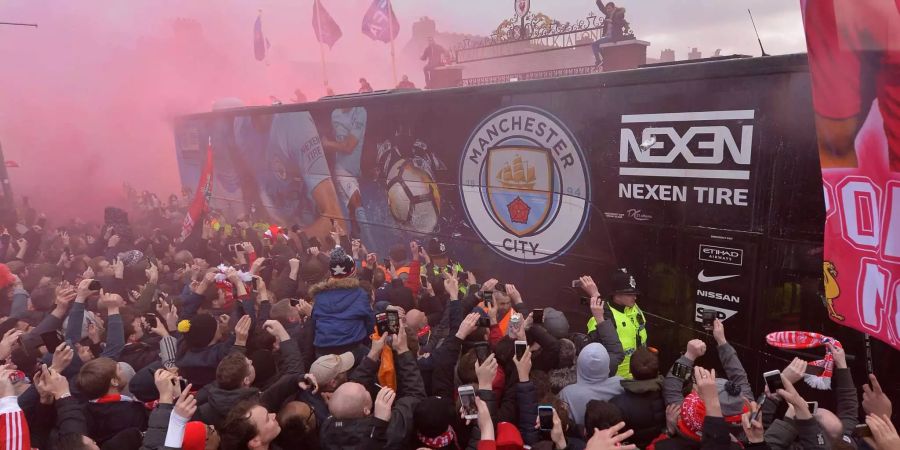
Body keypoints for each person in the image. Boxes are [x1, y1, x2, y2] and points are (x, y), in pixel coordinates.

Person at [309, 246, 374, 356]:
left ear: (331, 273)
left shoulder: (319, 296)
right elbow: (370, 323)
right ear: (353, 272)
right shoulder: (360, 294)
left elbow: (314, 324)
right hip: (353, 349)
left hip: (323, 352)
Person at [583, 269, 647, 379]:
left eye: (635, 293)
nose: (635, 297)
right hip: (616, 381)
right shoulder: (602, 318)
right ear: (616, 294)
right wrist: (595, 294)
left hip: (638, 375)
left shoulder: (634, 308)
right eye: (630, 294)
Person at [591, 1, 628, 67]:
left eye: (609, 8)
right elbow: (601, 8)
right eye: (607, 8)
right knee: (595, 45)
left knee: (595, 44)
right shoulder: (608, 15)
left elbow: (621, 24)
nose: (608, 10)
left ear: (613, 8)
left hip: (614, 37)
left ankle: (601, 60)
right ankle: (602, 59)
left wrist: (611, 21)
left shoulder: (618, 15)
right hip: (608, 37)